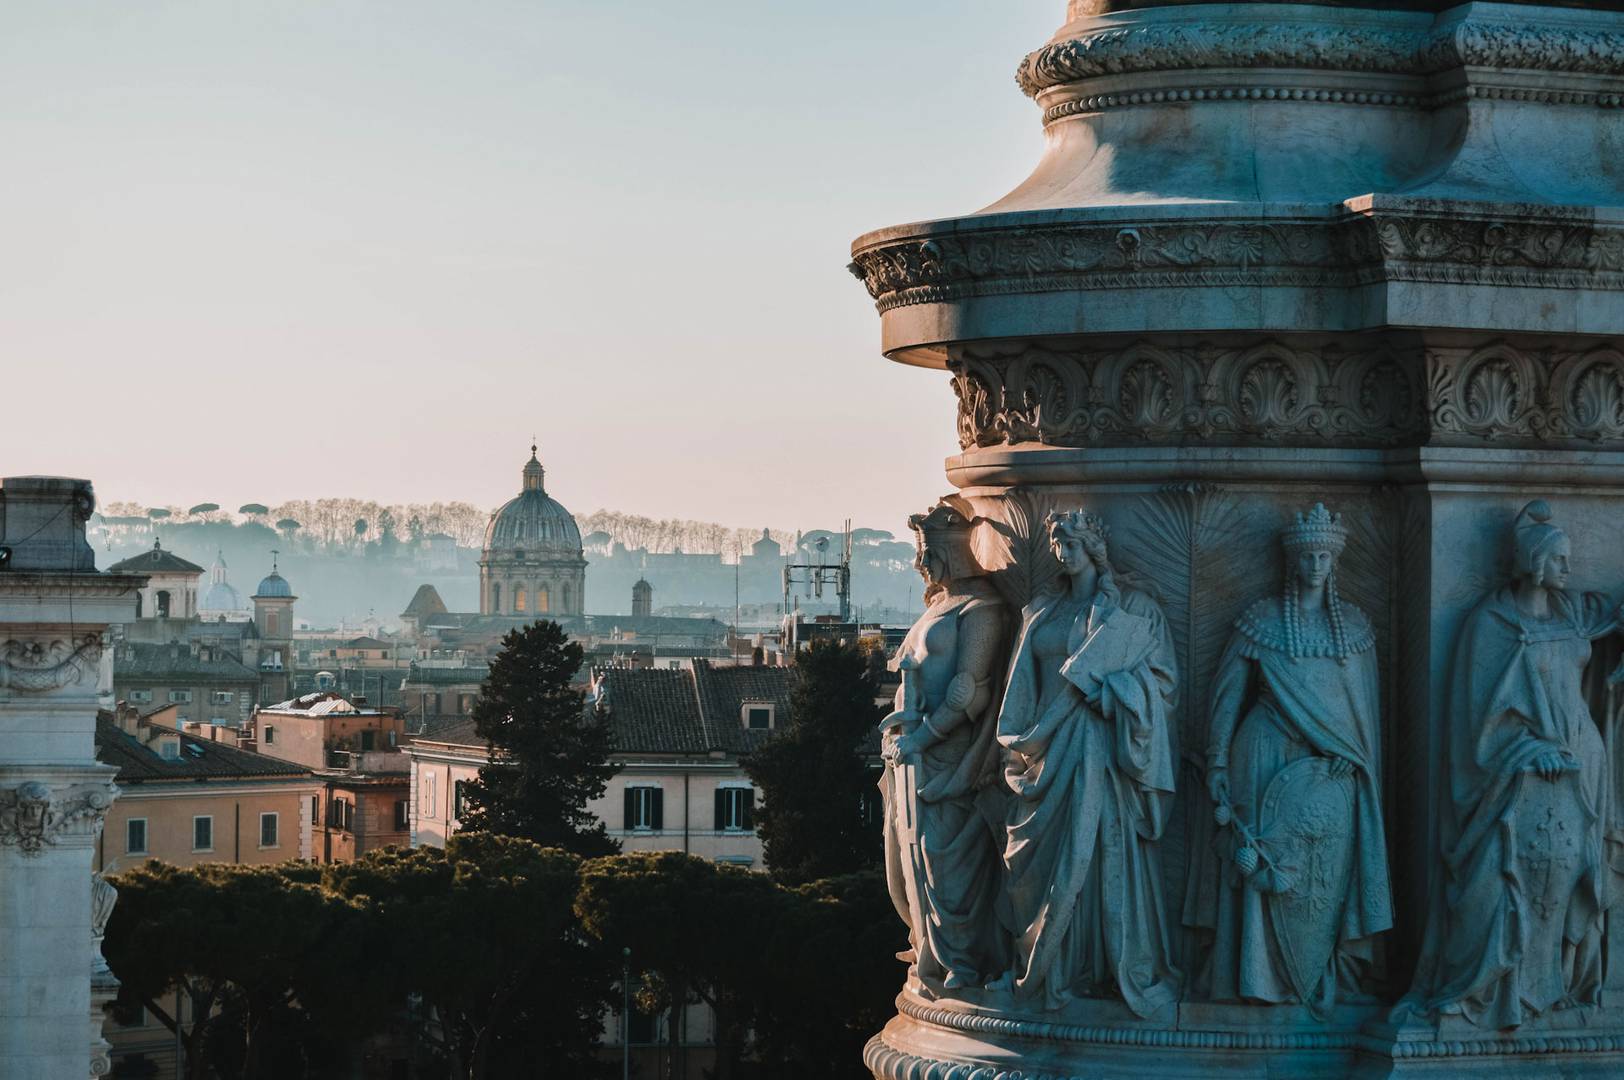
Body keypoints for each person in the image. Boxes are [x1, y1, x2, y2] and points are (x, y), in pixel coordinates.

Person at [1402, 500, 1623, 1028]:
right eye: (1559, 560)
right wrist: (1527, 748)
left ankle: (1563, 984)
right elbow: (1476, 719)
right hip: (1513, 781)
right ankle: (1489, 990)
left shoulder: (1572, 613)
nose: (1568, 570)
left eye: (1569, 560)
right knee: (1502, 885)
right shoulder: (1492, 623)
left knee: (1567, 879)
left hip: (1581, 767)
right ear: (1530, 562)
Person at [1191, 503, 1391, 1012]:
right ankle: (1258, 979)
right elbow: (1226, 698)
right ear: (1292, 561)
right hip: (1262, 756)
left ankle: (1319, 975)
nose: (1316, 563)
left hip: (1331, 775)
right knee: (1261, 865)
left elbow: (1360, 714)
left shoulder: (1354, 629)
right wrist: (1216, 763)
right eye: (1307, 555)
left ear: (1335, 561)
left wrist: (1354, 755)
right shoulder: (1261, 622)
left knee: (1323, 877)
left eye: (1325, 554)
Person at [990, 509, 1181, 1016]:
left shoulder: (1133, 610)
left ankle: (1093, 969)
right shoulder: (1042, 611)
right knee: (1042, 867)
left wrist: (1113, 693)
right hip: (1044, 754)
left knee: (1097, 858)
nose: (1061, 552)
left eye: (1070, 543)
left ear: (1094, 548)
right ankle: (1047, 968)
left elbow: (1162, 687)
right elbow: (1019, 690)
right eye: (1056, 543)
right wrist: (1021, 743)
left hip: (1100, 751)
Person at [880, 496, 1010, 993]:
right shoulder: (940, 605)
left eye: (928, 552)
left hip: (945, 760)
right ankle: (929, 950)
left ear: (951, 552)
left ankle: (963, 963)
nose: (920, 563)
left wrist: (924, 738)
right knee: (905, 864)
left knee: (943, 863)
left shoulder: (983, 610)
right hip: (908, 757)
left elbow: (967, 692)